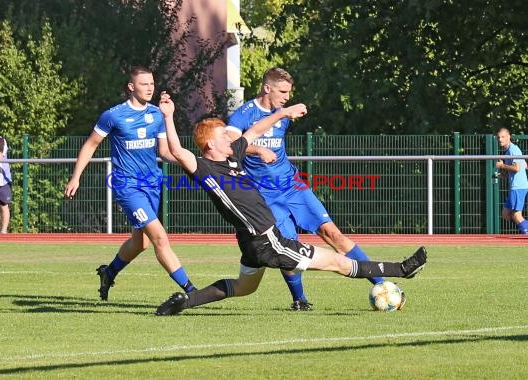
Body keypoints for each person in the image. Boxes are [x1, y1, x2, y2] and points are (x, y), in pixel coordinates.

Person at [154, 94, 427, 316]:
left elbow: (256, 130)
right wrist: (168, 116)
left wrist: (283, 113)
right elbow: (176, 151)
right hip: (267, 241)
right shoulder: (205, 168)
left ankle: (184, 302)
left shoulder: (233, 157)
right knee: (338, 262)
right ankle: (402, 269)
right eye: (225, 135)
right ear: (211, 143)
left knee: (243, 287)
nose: (231, 137)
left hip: (251, 242)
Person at [225, 67, 385, 311]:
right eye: (283, 91)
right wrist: (257, 149)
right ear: (267, 88)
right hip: (265, 195)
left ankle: (383, 286)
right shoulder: (245, 113)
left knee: (333, 234)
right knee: (289, 246)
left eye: (289, 92)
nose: (287, 97)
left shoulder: (283, 112)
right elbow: (229, 143)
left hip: (293, 185)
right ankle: (299, 300)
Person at [64, 66, 197, 301]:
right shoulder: (113, 115)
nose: (150, 88)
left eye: (152, 84)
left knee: (141, 242)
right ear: (131, 86)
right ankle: (192, 291)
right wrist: (76, 177)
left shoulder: (157, 114)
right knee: (159, 237)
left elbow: (165, 152)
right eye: (144, 84)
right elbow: (90, 145)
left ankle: (109, 272)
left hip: (152, 184)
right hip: (127, 186)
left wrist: (190, 164)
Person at [495, 127, 528, 234]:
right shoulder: (508, 151)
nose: (500, 139)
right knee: (505, 213)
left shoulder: (513, 149)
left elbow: (517, 168)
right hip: (515, 187)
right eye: (498, 137)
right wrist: (503, 173)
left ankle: (526, 231)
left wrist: (502, 165)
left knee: (516, 215)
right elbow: (523, 166)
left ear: (509, 137)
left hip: (518, 187)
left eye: (503, 137)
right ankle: (523, 227)